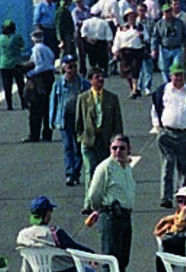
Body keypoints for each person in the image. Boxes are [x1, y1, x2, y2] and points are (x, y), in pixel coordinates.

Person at [151, 64, 186, 208]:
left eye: (181, 75)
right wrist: (158, 127)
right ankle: (166, 197)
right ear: (170, 76)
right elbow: (155, 109)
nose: (178, 78)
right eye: (176, 75)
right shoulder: (163, 90)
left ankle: (183, 195)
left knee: (185, 167)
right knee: (168, 165)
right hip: (167, 133)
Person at [85, 135, 136, 271]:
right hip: (111, 216)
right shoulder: (105, 167)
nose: (118, 151)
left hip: (125, 216)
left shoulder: (126, 167)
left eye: (122, 148)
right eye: (114, 148)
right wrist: (100, 210)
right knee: (111, 259)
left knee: (123, 259)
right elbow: (94, 194)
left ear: (129, 149)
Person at [75, 69, 124, 210]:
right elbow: (78, 122)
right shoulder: (83, 98)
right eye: (97, 77)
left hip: (106, 142)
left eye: (102, 77)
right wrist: (81, 138)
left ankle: (105, 200)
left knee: (105, 172)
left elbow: (117, 122)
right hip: (89, 141)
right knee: (90, 171)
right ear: (90, 80)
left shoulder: (112, 98)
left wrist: (117, 141)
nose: (100, 79)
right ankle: (89, 203)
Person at [16, 195, 93, 272]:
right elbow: (75, 248)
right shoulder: (55, 233)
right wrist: (92, 254)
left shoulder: (23, 235)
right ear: (47, 214)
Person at [50, 56, 90, 187]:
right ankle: (70, 173)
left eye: (74, 66)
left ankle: (76, 172)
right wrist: (52, 120)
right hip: (64, 118)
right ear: (63, 69)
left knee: (79, 148)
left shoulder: (83, 83)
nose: (72, 70)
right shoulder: (59, 84)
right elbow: (53, 102)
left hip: (80, 118)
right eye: (69, 67)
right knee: (68, 146)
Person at [23, 29, 55, 143]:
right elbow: (51, 60)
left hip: (40, 78)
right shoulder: (47, 48)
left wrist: (30, 74)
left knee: (35, 107)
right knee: (47, 106)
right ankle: (47, 133)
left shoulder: (36, 49)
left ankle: (34, 134)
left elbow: (40, 65)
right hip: (49, 77)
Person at [151, 4, 186, 81]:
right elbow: (155, 37)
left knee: (177, 68)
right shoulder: (159, 24)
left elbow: (185, 35)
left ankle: (176, 83)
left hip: (177, 49)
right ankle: (167, 85)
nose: (168, 13)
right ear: (163, 13)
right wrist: (154, 49)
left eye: (169, 11)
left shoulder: (179, 22)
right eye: (166, 12)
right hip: (164, 49)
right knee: (165, 69)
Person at [112, 10, 144, 98]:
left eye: (133, 16)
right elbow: (117, 40)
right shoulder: (121, 28)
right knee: (126, 72)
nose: (131, 18)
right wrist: (115, 50)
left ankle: (135, 89)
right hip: (124, 51)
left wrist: (142, 36)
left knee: (135, 70)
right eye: (129, 16)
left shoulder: (139, 27)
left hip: (136, 50)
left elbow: (146, 37)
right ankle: (132, 88)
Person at [0, 20, 26, 111]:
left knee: (7, 85)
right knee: (21, 85)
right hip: (16, 63)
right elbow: (22, 45)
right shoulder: (17, 37)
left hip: (4, 64)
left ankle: (9, 105)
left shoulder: (0, 38)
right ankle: (24, 103)